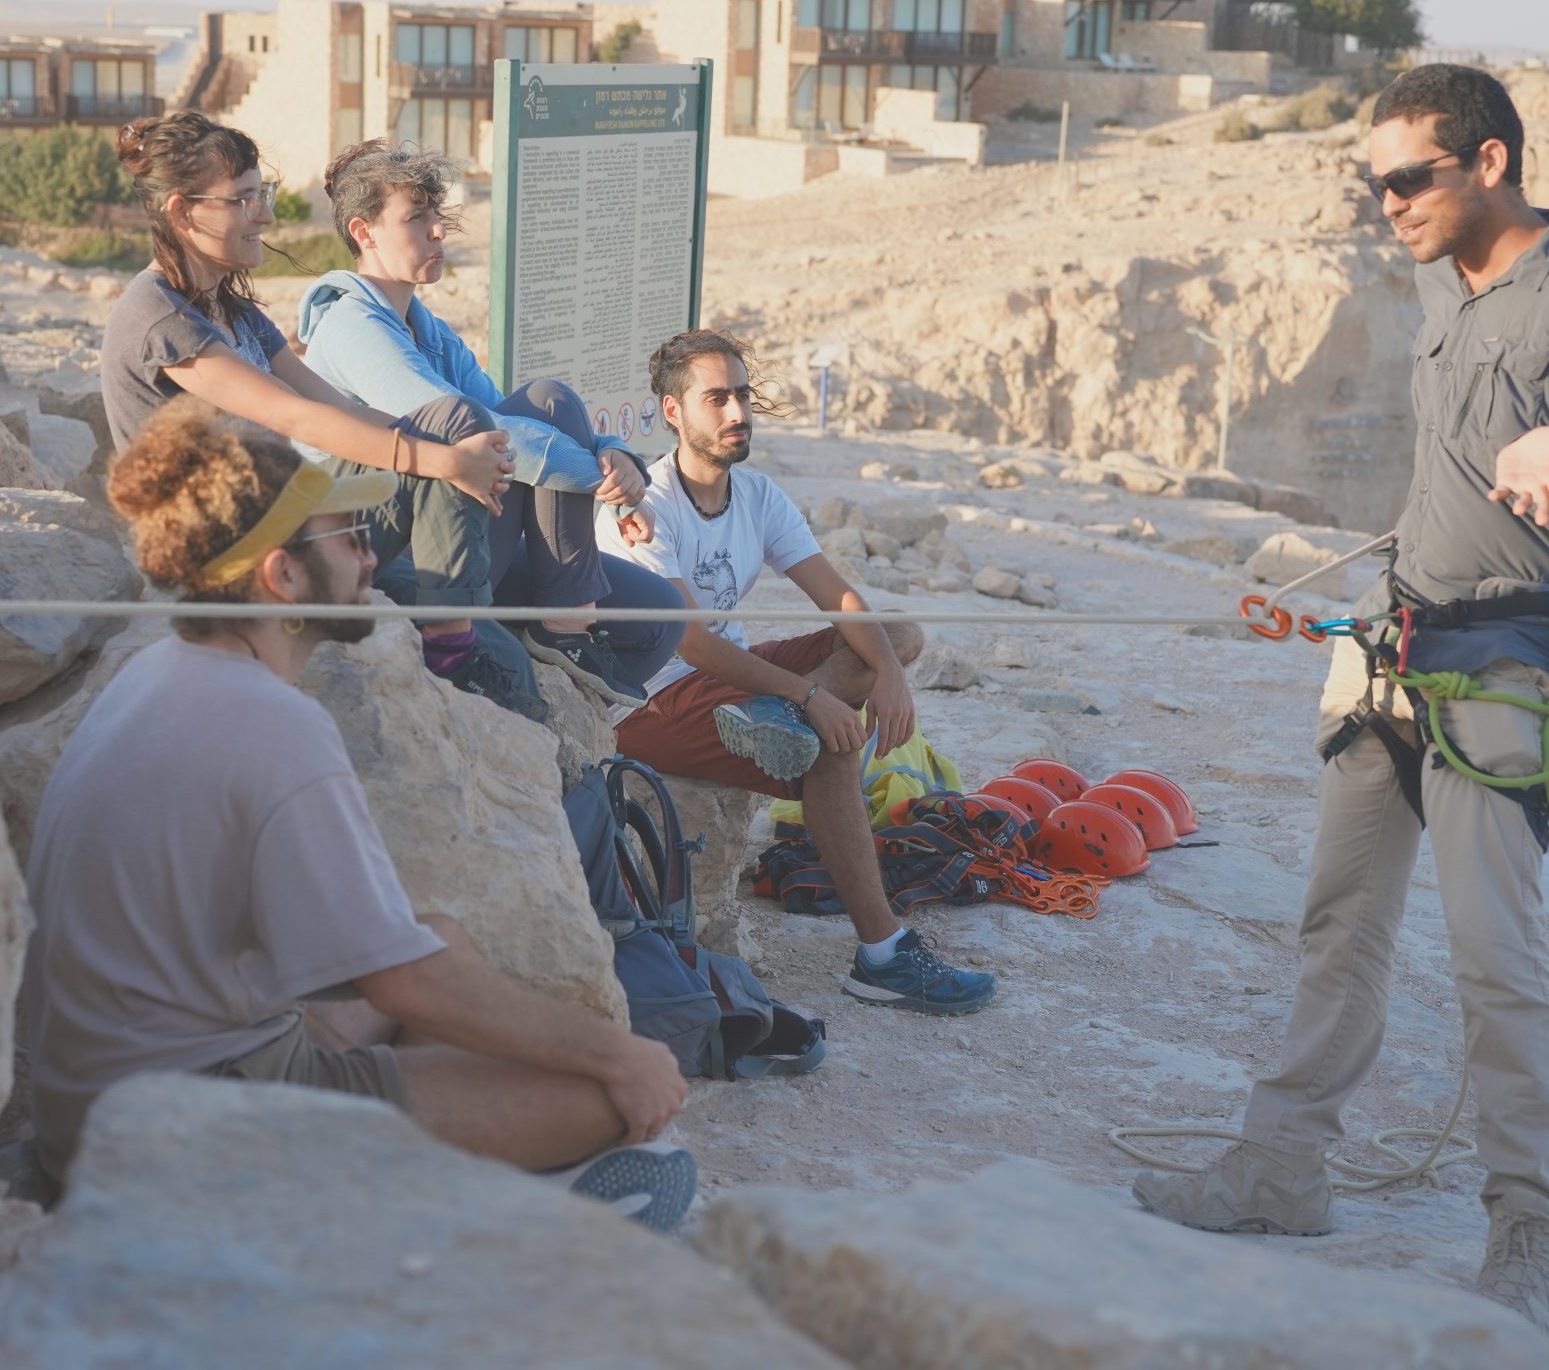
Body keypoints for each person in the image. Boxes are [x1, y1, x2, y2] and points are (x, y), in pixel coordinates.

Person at [1130, 65, 1549, 1333]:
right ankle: (1279, 1169)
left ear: (1489, 163)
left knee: (1495, 953)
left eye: (1408, 178)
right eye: (1374, 181)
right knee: (1340, 922)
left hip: (1504, 668)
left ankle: (1528, 1228)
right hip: (1391, 644)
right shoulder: (1446, 281)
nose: (1388, 203)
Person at [20, 398, 696, 1228]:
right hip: (190, 1126)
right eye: (347, 536)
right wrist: (619, 1054)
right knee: (602, 1100)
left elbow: (399, 955)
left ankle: (419, 1164)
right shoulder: (274, 724)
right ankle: (432, 1222)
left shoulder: (162, 674)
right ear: (283, 575)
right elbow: (401, 981)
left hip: (104, 1098)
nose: (371, 553)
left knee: (438, 934)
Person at [598, 328, 997, 1018]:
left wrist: (892, 673)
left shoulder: (756, 495)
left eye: (743, 395)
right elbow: (688, 642)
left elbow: (837, 595)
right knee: (830, 746)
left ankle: (776, 721)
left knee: (895, 631)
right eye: (716, 397)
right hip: (650, 703)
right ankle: (882, 954)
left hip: (736, 690)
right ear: (673, 412)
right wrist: (808, 694)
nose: (736, 413)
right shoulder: (644, 506)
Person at [97, 111, 537, 715]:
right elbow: (296, 421)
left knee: (506, 653)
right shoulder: (161, 319)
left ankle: (461, 649)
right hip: (226, 554)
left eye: (264, 194)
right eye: (244, 200)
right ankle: (450, 666)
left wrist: (456, 455)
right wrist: (444, 459)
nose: (267, 216)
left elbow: (335, 405)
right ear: (182, 211)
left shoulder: (235, 310)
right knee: (450, 432)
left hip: (288, 519)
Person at [295, 138, 685, 709]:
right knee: (539, 407)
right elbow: (472, 432)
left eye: (438, 217)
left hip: (466, 525)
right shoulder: (351, 325)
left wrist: (616, 454)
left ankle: (571, 706)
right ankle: (562, 634)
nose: (437, 232)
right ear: (364, 232)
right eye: (416, 219)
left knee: (660, 616)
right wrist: (616, 491)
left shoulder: (423, 327)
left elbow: (506, 415)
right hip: (394, 548)